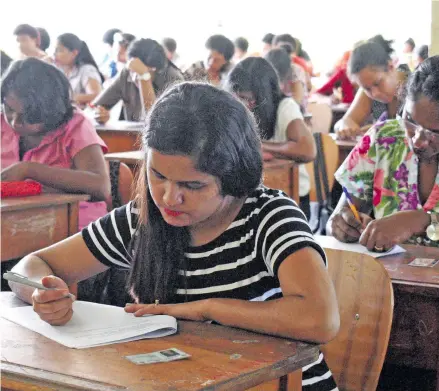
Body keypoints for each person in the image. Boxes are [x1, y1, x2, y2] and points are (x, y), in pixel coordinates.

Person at [8, 81, 339, 391]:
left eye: (192, 186)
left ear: (234, 175)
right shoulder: (142, 220)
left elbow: (320, 319)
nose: (168, 197)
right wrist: (42, 292)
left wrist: (206, 309)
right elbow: (32, 264)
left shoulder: (268, 216)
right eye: (158, 175)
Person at [328, 56, 439, 250]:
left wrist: (424, 221)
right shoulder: (383, 139)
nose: (418, 141)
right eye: (410, 120)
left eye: (435, 133)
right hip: (386, 277)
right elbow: (339, 216)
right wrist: (342, 225)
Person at [0, 58, 110, 232]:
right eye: (9, 109)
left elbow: (101, 187)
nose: (15, 121)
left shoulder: (75, 126)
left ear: (51, 110)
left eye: (28, 115)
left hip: (73, 228)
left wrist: (29, 170)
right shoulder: (2, 124)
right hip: (12, 222)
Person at [226, 57, 316, 219]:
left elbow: (307, 150)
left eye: (249, 99)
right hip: (251, 197)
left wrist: (260, 146)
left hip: (290, 199)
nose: (244, 105)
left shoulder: (285, 107)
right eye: (238, 98)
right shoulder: (233, 109)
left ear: (265, 95)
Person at [335, 35, 410, 140]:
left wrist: (387, 129)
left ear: (390, 66)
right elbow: (345, 121)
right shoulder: (369, 85)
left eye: (377, 83)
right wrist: (344, 127)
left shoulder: (416, 86)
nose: (374, 94)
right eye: (367, 89)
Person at [93, 38, 184, 124]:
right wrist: (100, 114)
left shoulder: (173, 78)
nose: (134, 76)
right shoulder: (127, 72)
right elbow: (100, 106)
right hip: (131, 137)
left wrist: (144, 77)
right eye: (133, 69)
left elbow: (156, 122)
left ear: (155, 69)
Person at [55, 33, 103, 107]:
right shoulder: (60, 71)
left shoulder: (86, 70)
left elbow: (96, 96)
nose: (54, 54)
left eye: (59, 50)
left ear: (74, 53)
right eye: (55, 50)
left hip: (84, 116)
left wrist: (68, 98)